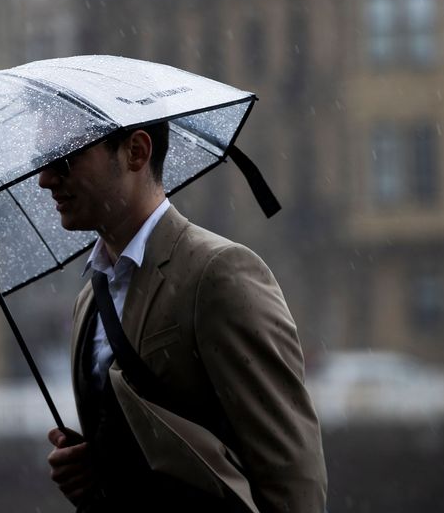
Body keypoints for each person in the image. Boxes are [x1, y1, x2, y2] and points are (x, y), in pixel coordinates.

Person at [38, 121, 327, 512]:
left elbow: (290, 471)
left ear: (136, 152)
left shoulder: (219, 273)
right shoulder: (89, 299)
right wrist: (95, 478)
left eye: (65, 159)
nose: (45, 179)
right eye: (44, 160)